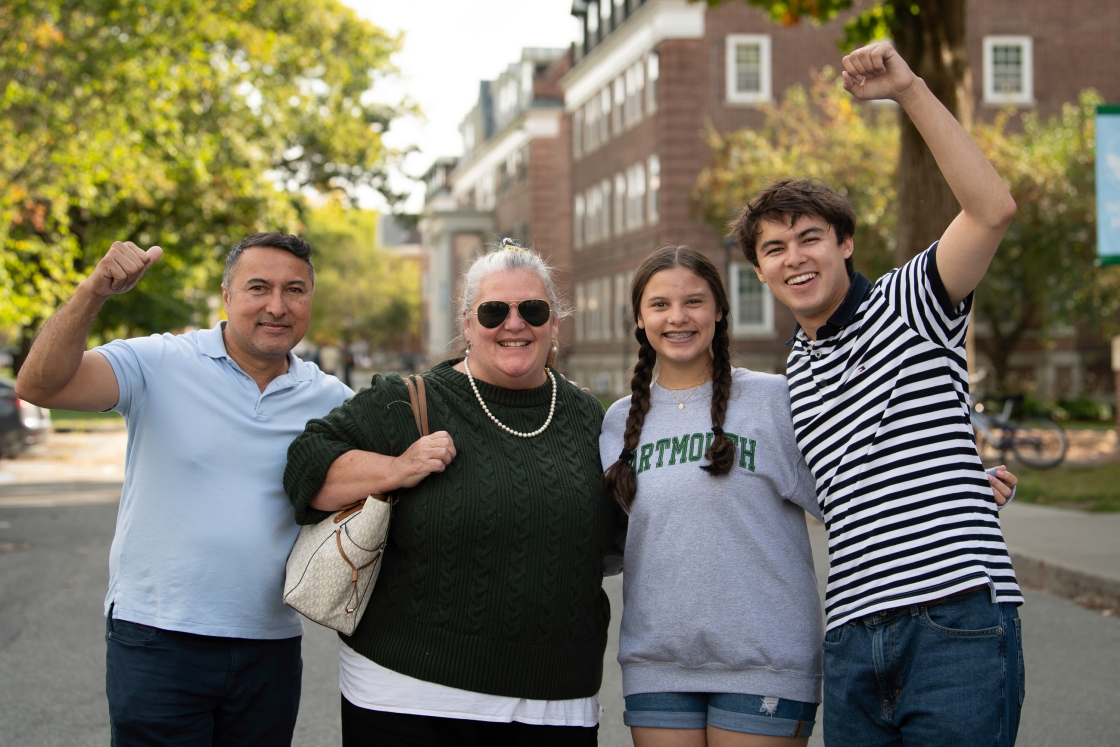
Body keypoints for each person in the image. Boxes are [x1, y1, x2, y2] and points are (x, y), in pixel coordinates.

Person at [729, 43, 1023, 746]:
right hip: (852, 640)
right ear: (760, 272)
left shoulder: (911, 300)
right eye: (774, 249)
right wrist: (960, 478)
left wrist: (909, 89)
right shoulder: (795, 370)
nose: (795, 258)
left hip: (951, 621)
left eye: (810, 238)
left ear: (845, 244)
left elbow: (991, 210)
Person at [15, 233, 352, 746]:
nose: (277, 306)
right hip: (158, 637)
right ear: (226, 296)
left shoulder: (331, 400)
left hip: (270, 643)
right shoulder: (159, 362)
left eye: (295, 290)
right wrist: (93, 291)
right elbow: (39, 386)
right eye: (258, 287)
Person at [284, 241, 624, 747]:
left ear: (554, 323)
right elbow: (306, 465)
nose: (514, 324)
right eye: (493, 311)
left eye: (533, 310)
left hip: (558, 701)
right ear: (467, 323)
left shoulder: (586, 415)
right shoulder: (408, 402)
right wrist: (396, 468)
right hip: (407, 696)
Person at [599, 245, 826, 746]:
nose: (677, 317)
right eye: (660, 304)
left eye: (694, 302)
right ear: (639, 318)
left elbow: (852, 490)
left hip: (766, 661)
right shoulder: (617, 423)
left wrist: (957, 485)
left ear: (720, 310)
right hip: (656, 664)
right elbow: (609, 542)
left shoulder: (774, 401)